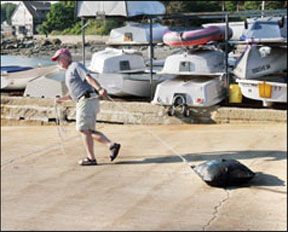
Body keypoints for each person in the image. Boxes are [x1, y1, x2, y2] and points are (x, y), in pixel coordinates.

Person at [52, 48, 121, 166]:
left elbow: (88, 77)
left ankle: (91, 158)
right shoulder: (69, 71)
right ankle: (112, 145)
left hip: (87, 100)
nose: (58, 62)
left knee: (83, 129)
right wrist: (60, 100)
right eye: (57, 60)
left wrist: (99, 88)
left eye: (59, 59)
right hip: (85, 100)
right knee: (88, 130)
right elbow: (72, 94)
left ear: (67, 57)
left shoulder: (75, 66)